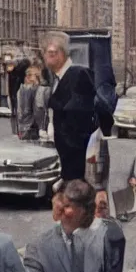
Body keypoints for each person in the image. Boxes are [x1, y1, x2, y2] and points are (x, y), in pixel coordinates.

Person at [44, 31, 98, 182]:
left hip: (75, 165)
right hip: (66, 163)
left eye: (50, 52)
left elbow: (80, 119)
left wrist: (69, 153)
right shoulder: (57, 79)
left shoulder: (77, 75)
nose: (46, 57)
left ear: (61, 54)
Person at [16, 66, 41, 141]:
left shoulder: (23, 89)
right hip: (29, 127)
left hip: (27, 127)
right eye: (27, 75)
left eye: (30, 75)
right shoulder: (26, 90)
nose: (27, 77)